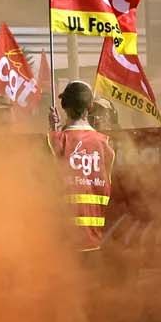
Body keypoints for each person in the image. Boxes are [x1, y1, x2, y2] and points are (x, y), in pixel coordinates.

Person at [49, 81, 116, 256]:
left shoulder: (56, 140)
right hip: (96, 244)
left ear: (64, 106)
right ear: (90, 106)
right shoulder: (106, 145)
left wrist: (53, 130)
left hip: (64, 246)